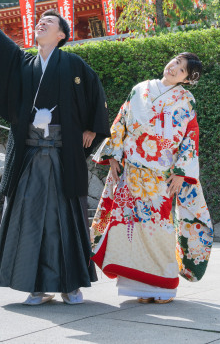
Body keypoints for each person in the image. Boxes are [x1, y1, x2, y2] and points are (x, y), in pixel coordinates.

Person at [0, 0, 110, 306]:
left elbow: (95, 93)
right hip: (29, 154)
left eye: (49, 21)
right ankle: (36, 285)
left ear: (62, 34)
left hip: (62, 154)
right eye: (39, 20)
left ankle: (70, 285)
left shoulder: (74, 64)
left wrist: (93, 127)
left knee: (64, 218)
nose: (42, 23)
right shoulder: (25, 63)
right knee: (28, 217)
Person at [90, 53, 213, 303]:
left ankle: (164, 286)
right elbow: (122, 120)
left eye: (182, 70)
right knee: (128, 230)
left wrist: (181, 172)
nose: (174, 68)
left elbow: (191, 136)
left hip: (161, 176)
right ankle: (140, 288)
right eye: (175, 62)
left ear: (187, 80)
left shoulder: (186, 100)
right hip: (132, 171)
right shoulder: (139, 89)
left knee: (159, 230)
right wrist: (114, 154)